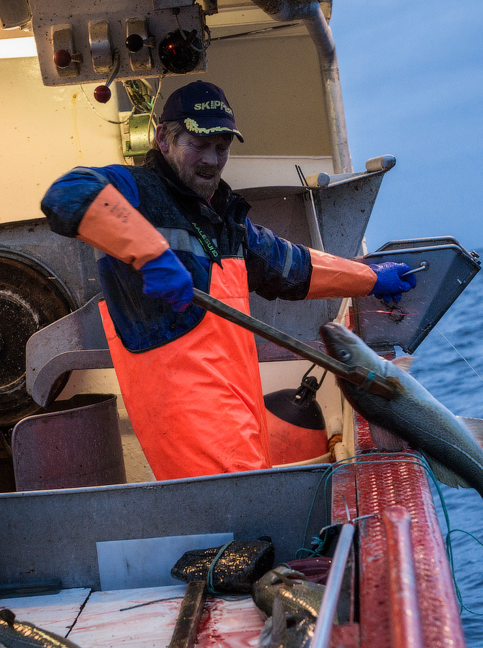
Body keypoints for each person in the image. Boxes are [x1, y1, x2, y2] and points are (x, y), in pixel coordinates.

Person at [41, 81, 414, 481]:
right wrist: (151, 254)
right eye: (198, 144)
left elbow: (294, 266)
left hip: (241, 413)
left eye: (221, 147)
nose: (212, 159)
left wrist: (370, 278)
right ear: (163, 140)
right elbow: (66, 194)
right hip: (187, 424)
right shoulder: (137, 191)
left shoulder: (226, 219)